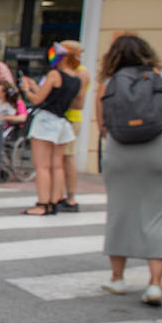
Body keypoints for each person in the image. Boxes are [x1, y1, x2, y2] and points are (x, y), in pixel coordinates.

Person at [95, 34, 162, 306]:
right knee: (159, 214)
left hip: (121, 148)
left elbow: (102, 124)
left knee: (120, 212)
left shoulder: (108, 83)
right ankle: (154, 285)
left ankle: (117, 278)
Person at [18, 40, 84, 215]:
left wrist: (27, 90)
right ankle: (54, 202)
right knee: (57, 166)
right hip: (62, 122)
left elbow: (37, 100)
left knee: (42, 166)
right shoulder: (77, 79)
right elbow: (77, 104)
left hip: (46, 120)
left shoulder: (55, 75)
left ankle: (42, 204)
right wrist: (36, 87)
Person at [57, 53, 92, 212]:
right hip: (61, 118)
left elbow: (79, 102)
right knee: (60, 159)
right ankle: (58, 195)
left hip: (71, 118)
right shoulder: (65, 70)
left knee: (67, 158)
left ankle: (70, 198)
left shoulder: (80, 72)